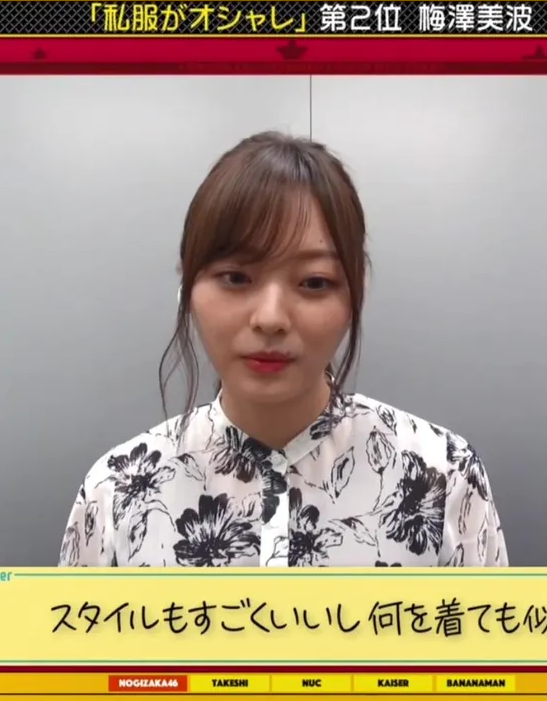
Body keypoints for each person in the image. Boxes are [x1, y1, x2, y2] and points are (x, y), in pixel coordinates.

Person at [58, 131, 507, 568]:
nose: (270, 317)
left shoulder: (443, 475)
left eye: (314, 282)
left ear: (355, 294)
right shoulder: (117, 491)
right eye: (236, 277)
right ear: (188, 286)